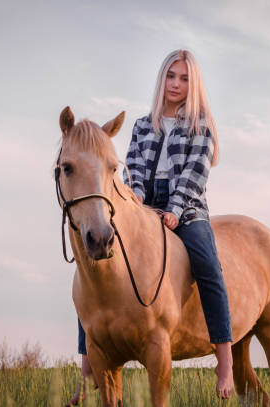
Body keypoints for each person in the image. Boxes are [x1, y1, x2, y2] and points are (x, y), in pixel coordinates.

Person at [68, 49, 233, 404]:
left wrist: (173, 210)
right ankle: (87, 362)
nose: (176, 84)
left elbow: (194, 175)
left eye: (184, 78)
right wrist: (137, 200)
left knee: (207, 264)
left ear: (194, 85)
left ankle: (225, 359)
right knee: (93, 266)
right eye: (171, 76)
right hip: (144, 204)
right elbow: (134, 169)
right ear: (162, 80)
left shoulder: (200, 126)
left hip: (187, 207)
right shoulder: (144, 125)